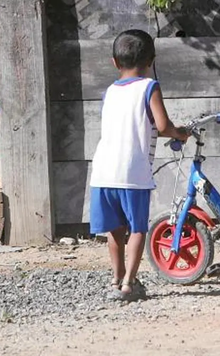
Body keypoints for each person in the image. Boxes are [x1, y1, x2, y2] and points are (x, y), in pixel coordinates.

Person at [89, 29, 190, 301]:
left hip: (102, 172)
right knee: (137, 228)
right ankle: (129, 284)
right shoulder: (149, 87)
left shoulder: (109, 91)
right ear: (152, 61)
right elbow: (163, 126)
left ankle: (116, 278)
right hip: (132, 173)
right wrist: (181, 133)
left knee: (115, 230)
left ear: (114, 62)